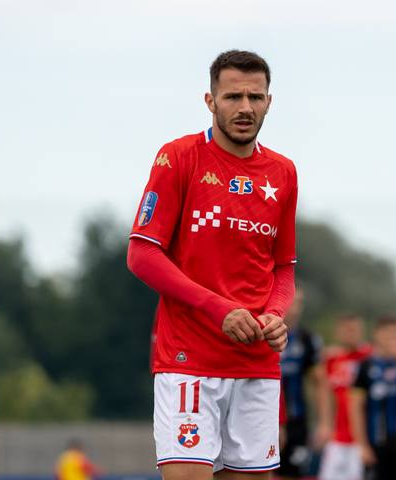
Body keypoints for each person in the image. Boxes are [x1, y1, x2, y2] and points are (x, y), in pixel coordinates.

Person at [127, 50, 297, 480]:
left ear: (269, 102)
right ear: (210, 101)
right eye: (233, 96)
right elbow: (142, 254)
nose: (245, 107)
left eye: (255, 97)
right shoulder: (178, 157)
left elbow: (284, 268)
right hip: (189, 361)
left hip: (257, 366)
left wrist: (276, 315)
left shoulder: (283, 172)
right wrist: (219, 309)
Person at [350, 315, 396, 480]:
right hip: (376, 444)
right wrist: (362, 445)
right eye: (388, 334)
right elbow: (355, 408)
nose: (392, 339)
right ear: (377, 335)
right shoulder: (365, 367)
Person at [279, 289, 330, 479]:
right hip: (264, 418)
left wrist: (324, 423)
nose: (295, 309)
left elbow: (320, 383)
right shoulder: (262, 332)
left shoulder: (308, 340)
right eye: (291, 301)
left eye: (299, 303)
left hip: (297, 421)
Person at [318, 315, 372, 480]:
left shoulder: (369, 357)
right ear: (338, 332)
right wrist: (325, 424)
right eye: (347, 330)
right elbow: (326, 393)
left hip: (362, 438)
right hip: (338, 436)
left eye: (354, 330)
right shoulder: (332, 359)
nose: (351, 334)